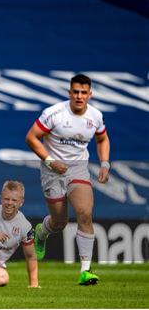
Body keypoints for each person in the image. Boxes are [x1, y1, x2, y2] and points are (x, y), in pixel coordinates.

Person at [25, 73, 110, 285]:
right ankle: (41, 233)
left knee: (84, 213)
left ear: (90, 94)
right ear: (69, 93)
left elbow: (102, 139)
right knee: (59, 222)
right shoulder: (53, 114)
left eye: (83, 92)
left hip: (78, 169)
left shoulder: (95, 117)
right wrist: (50, 161)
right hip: (52, 170)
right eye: (75, 92)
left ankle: (85, 270)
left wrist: (105, 163)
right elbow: (31, 138)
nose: (79, 96)